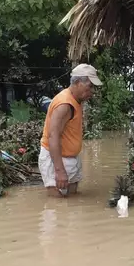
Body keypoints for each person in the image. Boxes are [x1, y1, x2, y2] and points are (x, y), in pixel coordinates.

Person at [38, 64, 102, 197]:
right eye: (90, 86)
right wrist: (59, 170)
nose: (92, 91)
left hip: (70, 157)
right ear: (78, 83)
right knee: (57, 206)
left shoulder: (75, 100)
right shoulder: (65, 104)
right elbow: (52, 136)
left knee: (72, 203)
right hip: (57, 159)